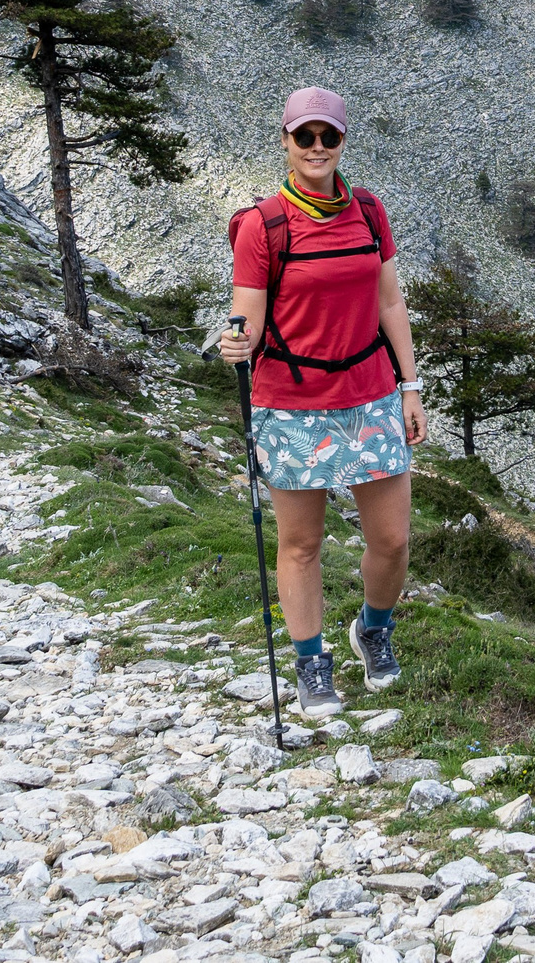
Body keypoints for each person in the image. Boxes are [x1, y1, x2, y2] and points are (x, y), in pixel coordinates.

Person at [220, 85, 426, 716]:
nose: (316, 146)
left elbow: (390, 301)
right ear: (285, 141)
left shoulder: (369, 211)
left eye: (328, 135)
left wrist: (411, 386)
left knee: (392, 540)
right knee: (301, 543)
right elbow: (250, 316)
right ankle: (311, 662)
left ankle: (373, 629)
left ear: (342, 140)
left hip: (371, 393)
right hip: (291, 402)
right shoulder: (261, 226)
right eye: (304, 136)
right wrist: (236, 341)